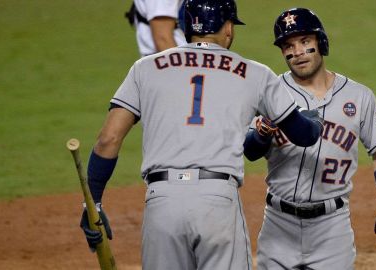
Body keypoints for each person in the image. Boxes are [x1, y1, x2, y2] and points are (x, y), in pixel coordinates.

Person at [80, 1, 324, 270]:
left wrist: (93, 202)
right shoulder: (255, 73)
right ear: (228, 28)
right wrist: (315, 122)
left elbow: (108, 139)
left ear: (185, 28)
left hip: (161, 201)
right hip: (216, 201)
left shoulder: (144, 68)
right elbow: (303, 135)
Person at [243, 7, 376, 270]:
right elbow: (249, 151)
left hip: (332, 229)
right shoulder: (270, 93)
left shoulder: (359, 97)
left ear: (320, 42)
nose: (297, 52)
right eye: (288, 46)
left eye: (305, 42)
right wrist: (260, 135)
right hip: (278, 225)